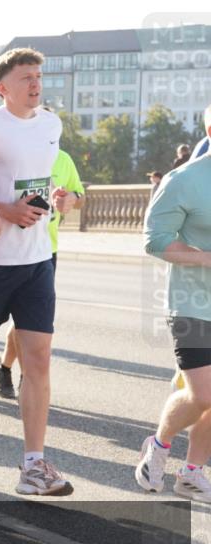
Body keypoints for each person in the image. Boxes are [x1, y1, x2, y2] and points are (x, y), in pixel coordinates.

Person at [0, 48, 74, 496]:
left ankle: (32, 465)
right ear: (2, 87)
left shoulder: (51, 124)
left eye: (39, 76)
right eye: (26, 77)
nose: (36, 83)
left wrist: (58, 200)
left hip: (37, 261)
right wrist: (3, 209)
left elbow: (39, 179)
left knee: (38, 360)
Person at [137, 103, 211, 503]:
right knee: (203, 394)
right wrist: (204, 257)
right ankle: (159, 446)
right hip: (192, 303)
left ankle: (192, 473)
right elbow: (155, 238)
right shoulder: (183, 180)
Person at [0, 148, 85, 399]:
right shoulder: (14, 152)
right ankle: (3, 368)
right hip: (1, 252)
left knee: (27, 321)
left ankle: (17, 374)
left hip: (45, 250)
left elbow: (80, 194)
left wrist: (71, 198)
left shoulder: (63, 158)